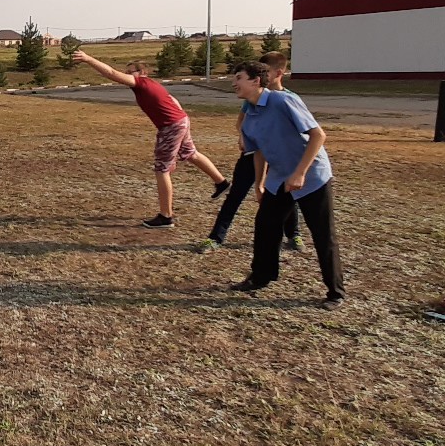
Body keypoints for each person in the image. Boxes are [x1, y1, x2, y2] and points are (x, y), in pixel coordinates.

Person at [226, 60, 345, 308]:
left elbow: (318, 135)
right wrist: (260, 184)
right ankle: (261, 276)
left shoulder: (282, 101)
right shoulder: (249, 115)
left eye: (238, 77)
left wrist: (300, 173)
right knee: (265, 225)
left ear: (256, 81)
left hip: (311, 175)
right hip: (279, 178)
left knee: (322, 233)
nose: (233, 83)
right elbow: (257, 152)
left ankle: (335, 292)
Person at [70, 49, 228, 227]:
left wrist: (88, 58)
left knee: (162, 169)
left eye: (132, 72)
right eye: (127, 72)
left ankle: (166, 217)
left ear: (143, 73)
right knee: (191, 153)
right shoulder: (153, 85)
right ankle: (221, 183)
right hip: (181, 120)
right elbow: (174, 101)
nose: (128, 75)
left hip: (172, 126)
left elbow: (111, 73)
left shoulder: (142, 83)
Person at [197, 50, 305, 253]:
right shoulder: (251, 99)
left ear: (279, 73)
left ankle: (294, 235)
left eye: (267, 71)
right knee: (235, 195)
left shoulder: (288, 98)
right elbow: (242, 122)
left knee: (287, 195)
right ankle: (216, 237)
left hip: (278, 158)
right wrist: (244, 136)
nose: (263, 76)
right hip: (253, 155)